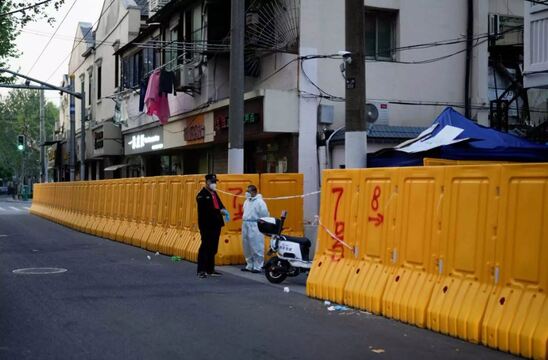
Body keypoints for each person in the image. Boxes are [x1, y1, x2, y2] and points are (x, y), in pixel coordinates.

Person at [196, 174, 229, 279]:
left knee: (213, 247)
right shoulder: (201, 195)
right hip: (206, 225)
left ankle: (210, 269)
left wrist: (223, 210)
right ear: (206, 182)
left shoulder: (214, 193)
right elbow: (207, 210)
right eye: (212, 182)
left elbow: (219, 204)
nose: (214, 184)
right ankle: (201, 270)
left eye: (215, 182)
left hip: (216, 224)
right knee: (205, 246)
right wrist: (219, 211)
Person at [241, 185, 269, 273]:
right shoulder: (246, 201)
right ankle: (249, 264)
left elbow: (264, 214)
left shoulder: (260, 202)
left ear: (254, 192)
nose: (246, 193)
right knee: (246, 245)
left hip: (255, 224)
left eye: (248, 191)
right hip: (246, 223)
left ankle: (258, 266)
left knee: (257, 245)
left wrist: (262, 223)